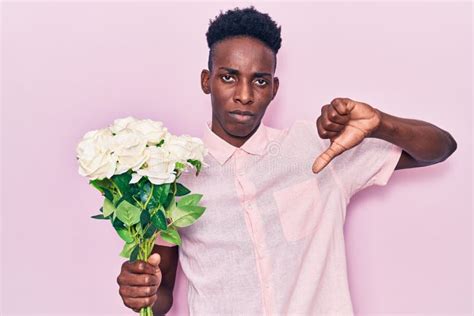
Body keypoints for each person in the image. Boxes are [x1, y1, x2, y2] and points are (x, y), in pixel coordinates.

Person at [116, 6, 457, 315]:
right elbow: (162, 295)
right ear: (207, 81)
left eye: (259, 81)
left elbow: (441, 148)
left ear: (274, 88)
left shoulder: (320, 147)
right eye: (229, 77)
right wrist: (141, 291)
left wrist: (381, 123)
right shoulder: (173, 175)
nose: (245, 95)